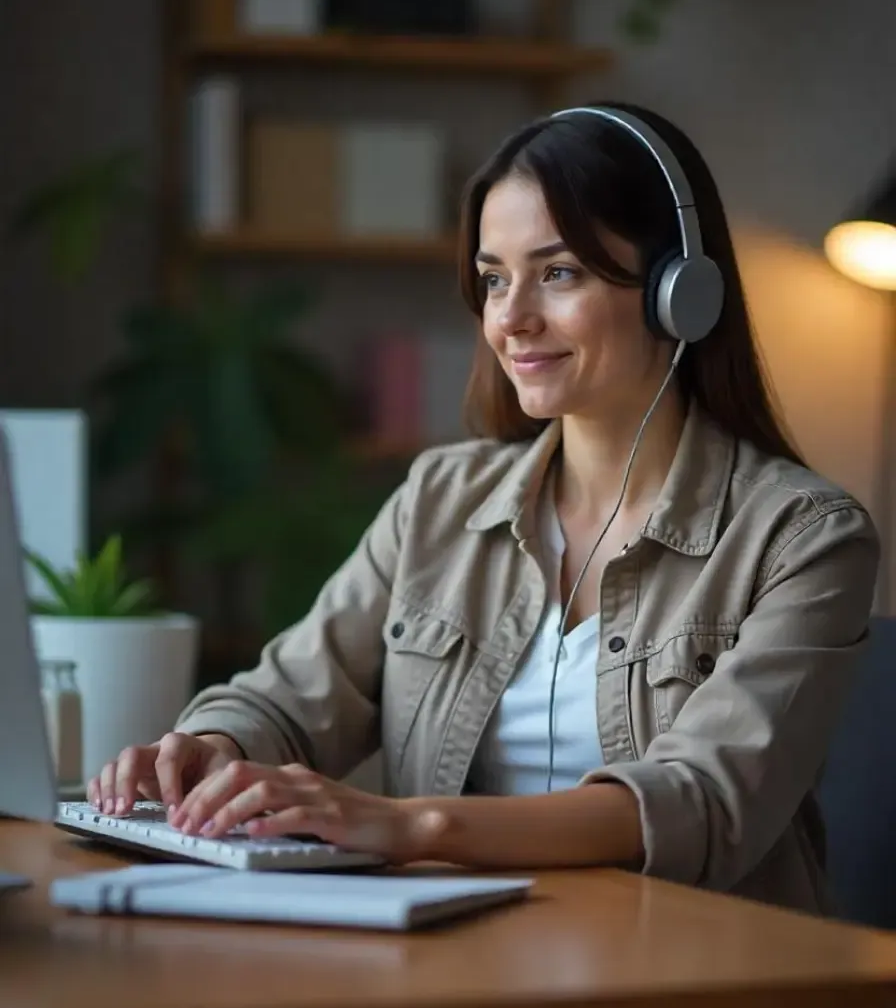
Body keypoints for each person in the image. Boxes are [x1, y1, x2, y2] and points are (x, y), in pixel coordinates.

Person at [91, 101, 878, 915]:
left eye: (559, 272)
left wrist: (411, 824)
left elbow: (699, 797)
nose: (511, 319)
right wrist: (208, 750)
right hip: (467, 960)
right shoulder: (440, 498)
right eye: (495, 278)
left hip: (692, 985)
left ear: (679, 292)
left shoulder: (803, 537)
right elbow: (290, 698)